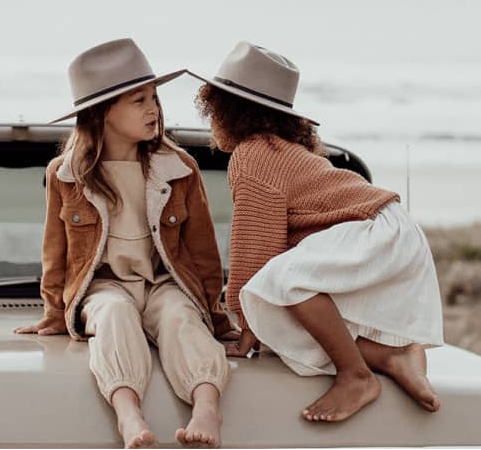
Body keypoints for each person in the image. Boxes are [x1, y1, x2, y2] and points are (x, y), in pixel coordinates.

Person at [190, 41, 444, 424]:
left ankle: (355, 376)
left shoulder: (253, 155)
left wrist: (245, 325)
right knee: (280, 312)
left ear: (228, 111)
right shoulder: (282, 150)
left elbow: (254, 245)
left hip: (373, 228)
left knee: (280, 284)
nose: (210, 123)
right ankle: (391, 356)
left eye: (212, 112)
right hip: (393, 228)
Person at [15, 38, 234, 449]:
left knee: (179, 317)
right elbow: (55, 251)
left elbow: (203, 252)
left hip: (165, 283)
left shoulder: (178, 168)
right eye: (138, 101)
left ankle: (206, 405)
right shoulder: (66, 174)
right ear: (103, 113)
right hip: (105, 286)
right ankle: (128, 413)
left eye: (154, 98)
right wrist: (55, 314)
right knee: (113, 314)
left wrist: (219, 321)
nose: (153, 109)